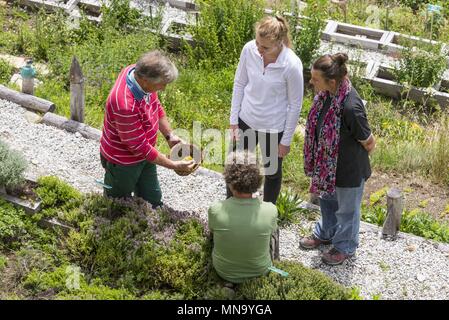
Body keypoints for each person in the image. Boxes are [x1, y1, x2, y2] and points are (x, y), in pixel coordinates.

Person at [300, 53, 375, 265]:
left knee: (347, 211)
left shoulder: (351, 107)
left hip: (348, 170)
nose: (311, 82)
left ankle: (345, 247)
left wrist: (344, 160)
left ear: (331, 81)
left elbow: (369, 142)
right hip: (327, 169)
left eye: (315, 79)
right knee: (328, 203)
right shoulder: (325, 97)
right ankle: (326, 233)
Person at [99, 50, 195, 208]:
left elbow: (156, 106)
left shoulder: (137, 72)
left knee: (153, 198)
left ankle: (150, 219)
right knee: (117, 203)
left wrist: (170, 136)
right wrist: (173, 165)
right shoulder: (124, 105)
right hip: (123, 162)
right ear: (144, 80)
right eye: (161, 84)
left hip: (146, 156)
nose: (163, 88)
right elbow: (139, 147)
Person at [229, 15, 304, 204]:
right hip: (246, 119)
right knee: (237, 166)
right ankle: (232, 206)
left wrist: (285, 140)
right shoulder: (249, 50)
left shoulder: (291, 65)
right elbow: (239, 83)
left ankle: (268, 212)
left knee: (272, 173)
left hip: (273, 127)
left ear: (280, 43)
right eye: (257, 44)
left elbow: (295, 105)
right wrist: (233, 120)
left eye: (265, 47)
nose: (259, 50)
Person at [208, 151, 278, 284]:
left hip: (223, 271)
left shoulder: (215, 210)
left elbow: (212, 232)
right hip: (260, 271)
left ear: (229, 182)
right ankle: (276, 261)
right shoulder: (271, 210)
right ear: (258, 182)